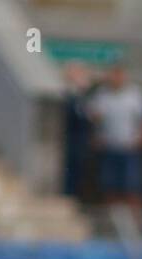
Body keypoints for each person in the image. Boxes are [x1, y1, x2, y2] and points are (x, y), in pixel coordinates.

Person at [88, 65, 142, 215]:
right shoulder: (102, 95)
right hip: (110, 148)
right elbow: (94, 119)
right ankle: (112, 224)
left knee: (132, 189)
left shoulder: (137, 95)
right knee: (109, 188)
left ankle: (135, 227)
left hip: (129, 149)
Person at [61, 62, 95, 201]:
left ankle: (73, 195)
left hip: (80, 143)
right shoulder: (68, 97)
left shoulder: (84, 99)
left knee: (78, 172)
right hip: (70, 142)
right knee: (68, 171)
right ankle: (67, 194)